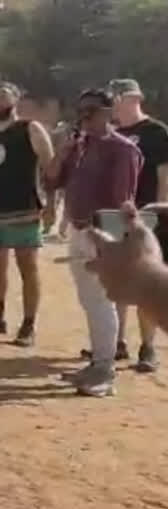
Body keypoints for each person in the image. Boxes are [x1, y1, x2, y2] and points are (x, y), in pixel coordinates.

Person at [47, 89, 142, 397]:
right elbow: (52, 181)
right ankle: (98, 361)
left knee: (101, 300)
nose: (84, 118)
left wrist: (107, 242)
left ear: (107, 112)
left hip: (102, 233)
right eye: (82, 112)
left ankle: (105, 369)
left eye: (91, 112)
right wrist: (61, 152)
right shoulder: (79, 146)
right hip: (78, 229)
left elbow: (120, 201)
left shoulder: (122, 149)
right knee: (90, 300)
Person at [0, 82, 54, 347]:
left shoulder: (30, 129)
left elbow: (50, 168)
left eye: (4, 97)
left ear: (16, 100)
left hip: (25, 209)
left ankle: (28, 325)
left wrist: (50, 205)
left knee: (27, 267)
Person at [107, 79, 168, 372]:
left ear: (134, 98)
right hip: (115, 215)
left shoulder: (156, 132)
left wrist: (159, 210)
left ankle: (147, 348)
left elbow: (164, 174)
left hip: (148, 214)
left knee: (146, 282)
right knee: (117, 280)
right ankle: (116, 342)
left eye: (119, 97)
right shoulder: (111, 133)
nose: (115, 103)